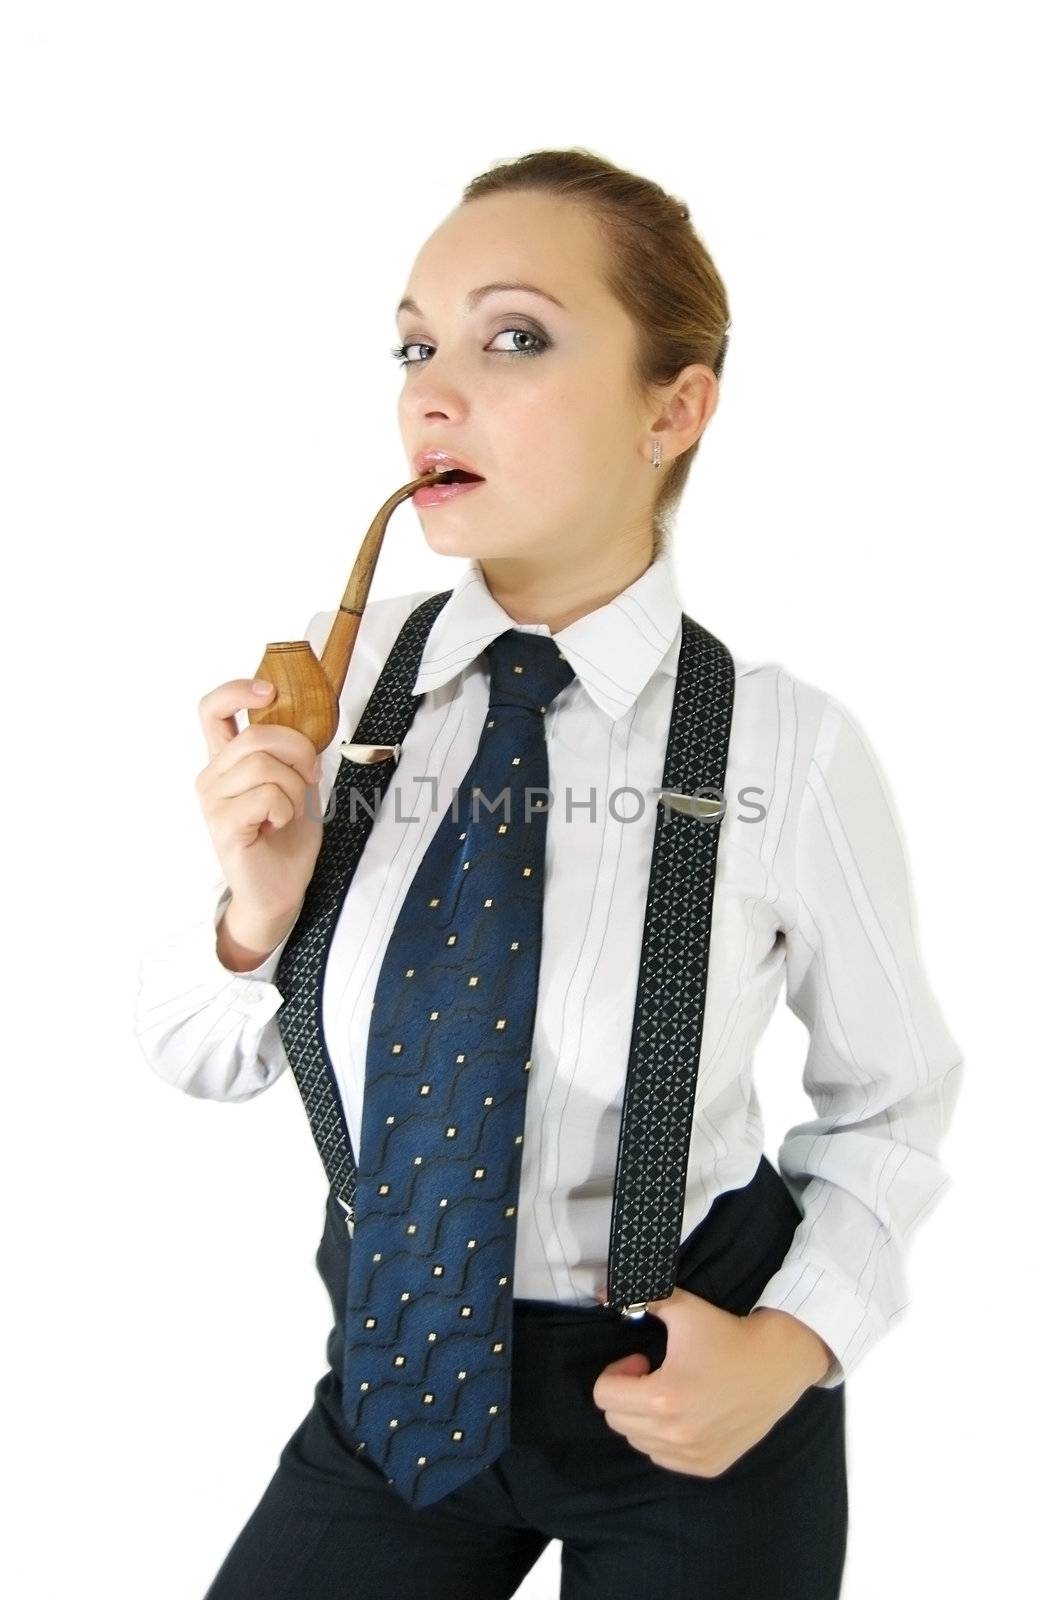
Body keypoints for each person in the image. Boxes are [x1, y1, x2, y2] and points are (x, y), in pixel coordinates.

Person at [135, 148, 964, 1599]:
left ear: (676, 406)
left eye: (513, 338)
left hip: (691, 1395)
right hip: (393, 1375)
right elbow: (198, 1058)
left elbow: (894, 1104)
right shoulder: (334, 694)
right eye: (415, 345)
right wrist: (258, 902)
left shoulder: (790, 747)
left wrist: (794, 1346)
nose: (431, 393)